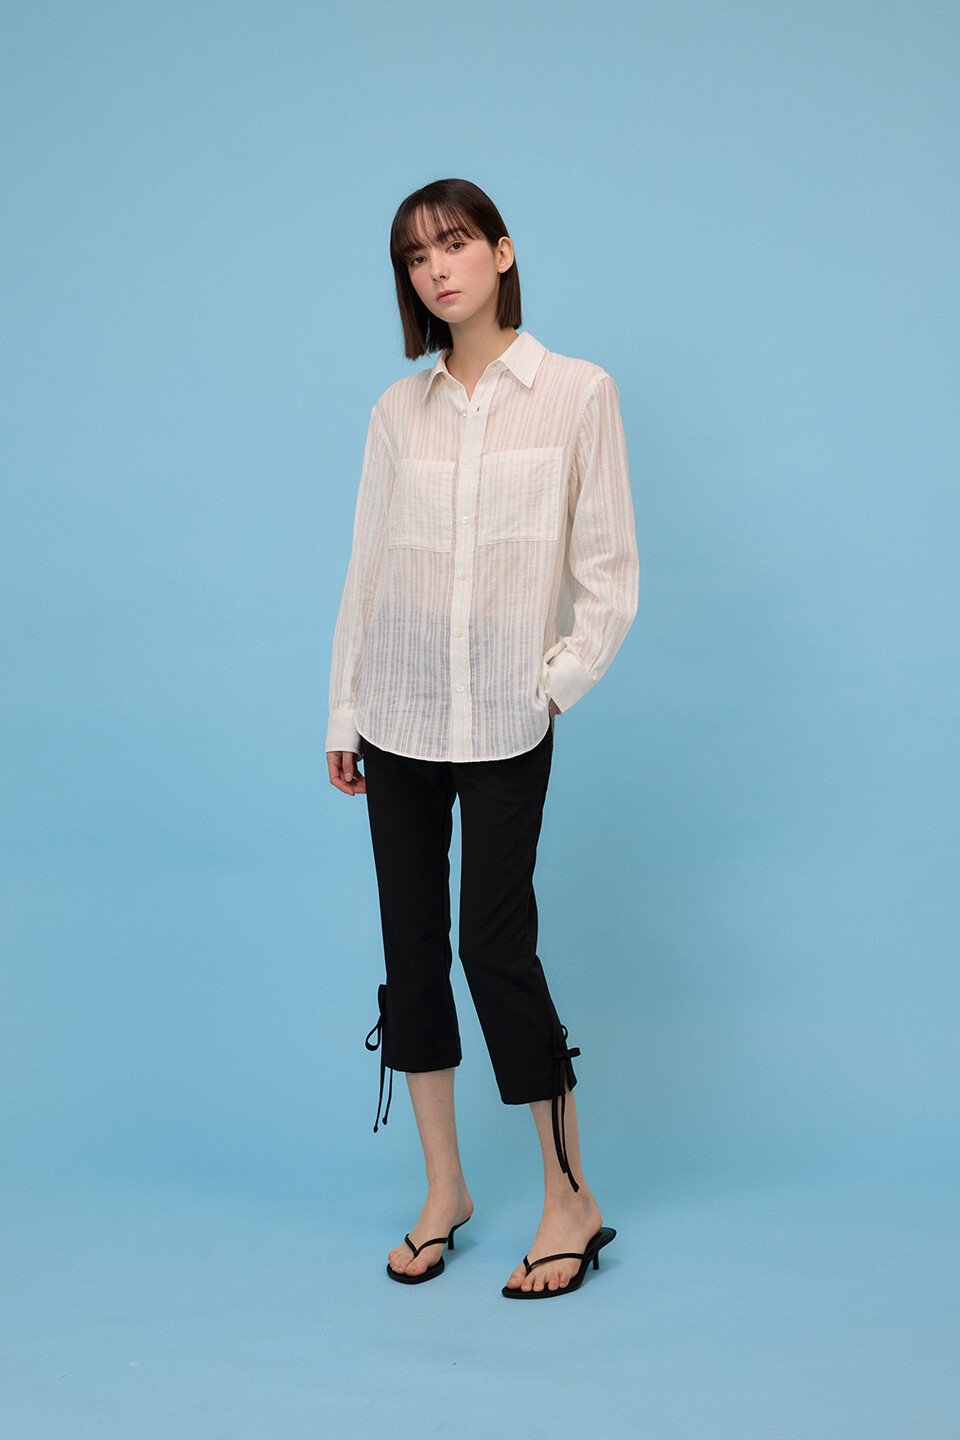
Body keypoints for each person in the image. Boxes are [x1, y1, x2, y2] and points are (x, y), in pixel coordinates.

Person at [325, 178, 638, 1297]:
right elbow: (367, 569)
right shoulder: (395, 412)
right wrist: (344, 710)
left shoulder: (577, 393)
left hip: (506, 721)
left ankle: (569, 1198)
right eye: (415, 257)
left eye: (454, 245)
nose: (436, 269)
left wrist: (553, 684)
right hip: (399, 714)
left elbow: (608, 572)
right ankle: (444, 1190)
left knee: (494, 948)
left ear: (502, 253)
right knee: (411, 951)